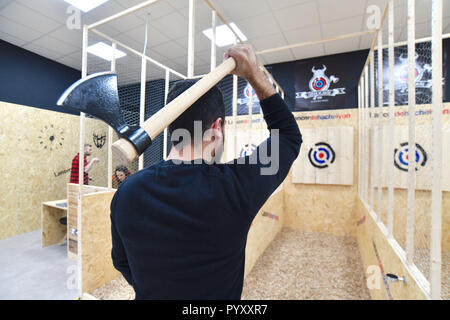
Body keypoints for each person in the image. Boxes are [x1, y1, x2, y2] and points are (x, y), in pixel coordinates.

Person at [110, 44, 302, 299]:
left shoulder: (127, 192)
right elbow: (288, 137)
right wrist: (254, 75)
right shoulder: (237, 186)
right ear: (217, 128)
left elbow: (121, 262)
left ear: (170, 126)